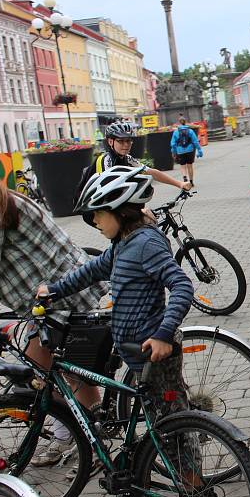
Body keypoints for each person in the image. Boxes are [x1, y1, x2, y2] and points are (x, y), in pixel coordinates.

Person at [37, 166, 195, 480]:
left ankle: (195, 493)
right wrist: (55, 290)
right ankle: (171, 479)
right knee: (158, 423)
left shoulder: (145, 244)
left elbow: (182, 286)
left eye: (97, 214)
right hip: (137, 354)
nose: (93, 221)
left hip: (155, 353)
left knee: (173, 429)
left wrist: (164, 334)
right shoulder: (124, 242)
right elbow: (91, 270)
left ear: (120, 211)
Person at [0, 179, 108, 465]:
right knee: (56, 373)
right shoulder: (2, 197)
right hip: (54, 298)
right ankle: (74, 437)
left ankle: (93, 443)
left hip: (61, 297)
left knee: (53, 373)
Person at [84, 122, 191, 193]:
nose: (126, 145)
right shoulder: (106, 160)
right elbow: (109, 188)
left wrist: (179, 184)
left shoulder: (127, 158)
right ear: (110, 141)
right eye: (121, 141)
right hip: (98, 210)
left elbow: (152, 172)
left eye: (128, 141)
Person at [171, 117, 204, 186]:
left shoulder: (176, 132)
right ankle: (191, 182)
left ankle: (185, 178)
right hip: (190, 150)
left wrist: (174, 152)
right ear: (185, 122)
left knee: (183, 166)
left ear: (179, 123)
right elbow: (195, 141)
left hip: (180, 151)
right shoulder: (190, 131)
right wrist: (199, 150)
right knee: (190, 166)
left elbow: (173, 144)